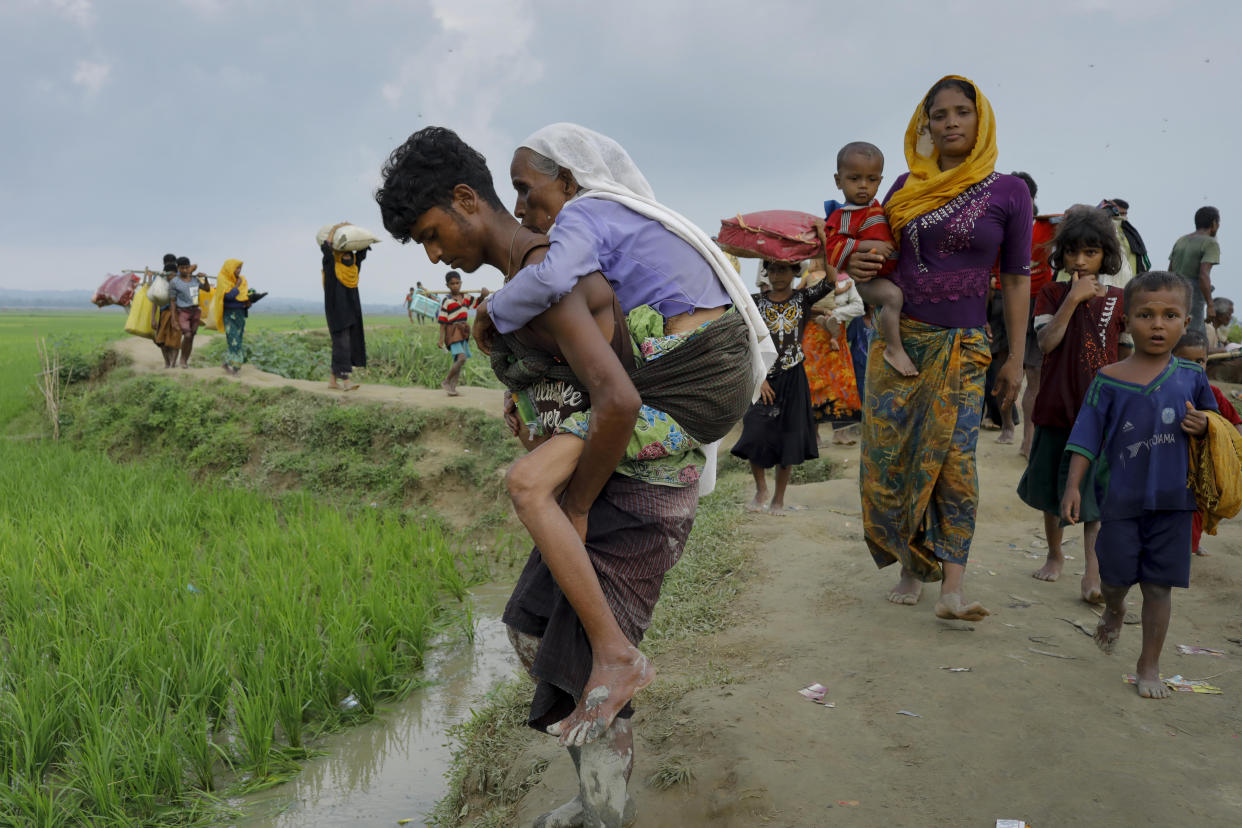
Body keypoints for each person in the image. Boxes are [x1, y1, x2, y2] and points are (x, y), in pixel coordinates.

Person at [375, 125, 769, 828]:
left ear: (468, 200)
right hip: (612, 464)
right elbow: (584, 384)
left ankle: (606, 808)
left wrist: (578, 501)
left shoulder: (547, 273)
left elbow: (617, 397)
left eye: (432, 234)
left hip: (637, 486)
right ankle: (598, 798)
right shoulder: (531, 278)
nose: (436, 255)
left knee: (588, 649)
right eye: (422, 248)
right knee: (532, 629)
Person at [846, 75, 1033, 621]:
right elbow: (875, 260)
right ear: (924, 123)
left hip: (965, 345)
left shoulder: (1009, 192)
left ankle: (952, 585)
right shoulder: (904, 186)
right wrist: (859, 267)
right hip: (901, 342)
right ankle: (910, 564)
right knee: (895, 456)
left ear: (982, 120)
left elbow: (1017, 279)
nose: (950, 122)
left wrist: (1016, 357)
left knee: (954, 463)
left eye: (962, 112)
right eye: (939, 113)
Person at [1061, 271, 1216, 699]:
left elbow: (1219, 431)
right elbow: (1086, 436)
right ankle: (1114, 610)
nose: (1158, 324)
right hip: (1121, 499)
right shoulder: (1108, 378)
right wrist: (1073, 486)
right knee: (1113, 577)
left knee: (1158, 585)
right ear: (1126, 321)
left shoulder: (1191, 377)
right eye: (1146, 315)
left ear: (1186, 322)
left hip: (1174, 500)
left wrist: (1205, 425)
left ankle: (1149, 664)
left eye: (1170, 315)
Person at [1016, 206, 1125, 603]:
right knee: (1051, 491)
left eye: (1091, 252)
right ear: (1060, 256)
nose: (1080, 260)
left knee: (1094, 499)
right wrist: (1073, 301)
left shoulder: (1117, 300)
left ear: (1105, 257)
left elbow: (1127, 355)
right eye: (1073, 252)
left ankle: (1092, 575)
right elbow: (1046, 343)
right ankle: (1054, 553)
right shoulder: (1051, 293)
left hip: (1100, 417)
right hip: (1057, 409)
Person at [731, 260, 831, 513]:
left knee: (789, 437)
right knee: (754, 433)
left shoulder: (803, 299)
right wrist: (759, 378)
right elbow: (747, 340)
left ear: (796, 272)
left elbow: (831, 281)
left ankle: (778, 500)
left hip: (793, 376)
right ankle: (761, 488)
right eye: (772, 270)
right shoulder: (754, 302)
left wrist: (823, 240)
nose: (776, 275)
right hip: (762, 376)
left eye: (783, 270)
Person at [822, 141, 908, 375]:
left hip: (889, 274)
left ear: (880, 181)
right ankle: (894, 348)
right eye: (854, 178)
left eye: (871, 179)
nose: (863, 186)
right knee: (893, 297)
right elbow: (832, 248)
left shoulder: (879, 208)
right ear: (838, 180)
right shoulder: (844, 215)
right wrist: (867, 245)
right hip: (870, 281)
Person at [1172, 330, 1242, 557]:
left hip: (1204, 464)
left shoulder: (1213, 393)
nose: (1195, 367)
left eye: (1200, 361)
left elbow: (1234, 424)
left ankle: (1192, 543)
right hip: (1174, 460)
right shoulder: (1166, 391)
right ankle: (1183, 546)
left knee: (1199, 504)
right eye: (1186, 361)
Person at [800, 263, 863, 440]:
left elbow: (858, 307)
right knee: (814, 384)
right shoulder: (808, 277)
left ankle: (840, 434)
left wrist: (834, 313)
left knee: (840, 384)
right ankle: (814, 435)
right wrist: (819, 310)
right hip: (813, 338)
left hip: (835, 337)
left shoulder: (845, 278)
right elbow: (797, 300)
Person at [321, 223, 370, 390]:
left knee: (344, 345)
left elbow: (362, 253)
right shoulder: (331, 268)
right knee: (342, 345)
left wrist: (361, 236)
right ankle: (346, 381)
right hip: (337, 313)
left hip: (352, 313)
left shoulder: (354, 270)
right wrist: (334, 230)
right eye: (344, 254)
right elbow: (326, 250)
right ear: (338, 256)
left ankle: (332, 381)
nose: (348, 257)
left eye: (350, 254)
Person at [1168, 206, 1221, 336]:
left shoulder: (1181, 240)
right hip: (1193, 295)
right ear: (1214, 223)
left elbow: (1169, 272)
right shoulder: (1210, 243)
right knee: (1195, 336)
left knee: (1176, 333)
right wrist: (1210, 305)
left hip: (1173, 292)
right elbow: (1203, 276)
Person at [436, 270, 487, 396]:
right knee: (462, 358)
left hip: (463, 331)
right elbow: (442, 321)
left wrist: (483, 295)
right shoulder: (446, 301)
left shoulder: (465, 297)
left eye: (457, 283)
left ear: (461, 283)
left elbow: (477, 303)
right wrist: (441, 339)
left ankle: (452, 389)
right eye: (452, 284)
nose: (455, 286)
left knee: (458, 361)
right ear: (447, 285)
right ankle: (447, 381)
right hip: (452, 331)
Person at [214, 259, 250, 375]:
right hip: (229, 315)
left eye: (240, 268)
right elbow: (228, 297)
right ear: (230, 268)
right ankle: (236, 368)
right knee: (234, 340)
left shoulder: (242, 280)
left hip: (240, 314)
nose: (239, 271)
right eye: (237, 268)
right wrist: (237, 286)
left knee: (238, 340)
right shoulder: (222, 279)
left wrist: (248, 302)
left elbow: (243, 296)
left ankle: (226, 363)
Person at [169, 255, 204, 368]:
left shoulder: (195, 279)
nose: (185, 270)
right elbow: (172, 301)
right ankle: (182, 360)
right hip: (183, 312)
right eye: (182, 268)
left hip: (195, 310)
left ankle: (185, 360)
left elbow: (207, 288)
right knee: (187, 335)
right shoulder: (174, 282)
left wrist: (205, 278)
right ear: (178, 268)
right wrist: (173, 319)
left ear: (189, 267)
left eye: (187, 267)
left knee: (192, 336)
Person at [1101, 198, 1150, 276]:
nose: (1123, 216)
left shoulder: (1130, 231)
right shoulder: (1104, 229)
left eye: (1125, 213)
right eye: (1120, 213)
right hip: (1111, 277)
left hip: (1131, 279)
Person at [151, 254, 181, 368]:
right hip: (163, 312)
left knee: (175, 340)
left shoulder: (181, 278)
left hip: (178, 312)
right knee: (162, 341)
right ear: (163, 264)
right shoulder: (159, 278)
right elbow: (155, 299)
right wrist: (153, 317)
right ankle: (167, 363)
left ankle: (173, 364)